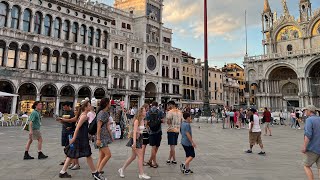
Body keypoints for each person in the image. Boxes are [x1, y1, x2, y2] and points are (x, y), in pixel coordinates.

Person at [59, 100, 104, 179]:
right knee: (87, 154)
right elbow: (77, 128)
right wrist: (74, 138)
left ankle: (62, 172)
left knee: (72, 154)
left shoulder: (83, 114)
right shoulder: (84, 116)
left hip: (81, 138)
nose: (91, 106)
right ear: (86, 107)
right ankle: (94, 172)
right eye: (89, 105)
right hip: (80, 138)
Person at [118, 107, 151, 179]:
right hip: (135, 139)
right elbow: (134, 132)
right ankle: (141, 173)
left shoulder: (143, 120)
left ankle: (122, 169)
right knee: (140, 156)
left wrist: (140, 132)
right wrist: (134, 143)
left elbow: (140, 131)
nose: (146, 112)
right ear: (141, 112)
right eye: (145, 111)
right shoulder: (137, 121)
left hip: (140, 139)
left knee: (133, 157)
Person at [95, 98, 113, 177]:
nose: (110, 104)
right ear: (106, 104)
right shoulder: (102, 113)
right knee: (108, 155)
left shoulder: (105, 113)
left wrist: (110, 135)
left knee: (102, 156)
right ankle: (97, 173)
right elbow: (98, 127)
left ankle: (97, 171)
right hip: (101, 138)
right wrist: (98, 139)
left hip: (103, 137)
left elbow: (106, 126)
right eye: (109, 102)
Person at [302, 105, 320, 180]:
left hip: (312, 148)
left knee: (306, 166)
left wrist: (304, 146)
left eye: (306, 110)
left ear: (309, 111)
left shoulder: (309, 120)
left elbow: (308, 135)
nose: (305, 112)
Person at [146, 102, 165, 168]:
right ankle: (154, 163)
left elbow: (147, 123)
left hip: (151, 132)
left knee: (153, 147)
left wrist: (149, 129)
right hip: (158, 131)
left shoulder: (148, 112)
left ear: (152, 105)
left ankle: (150, 161)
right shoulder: (160, 111)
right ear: (157, 105)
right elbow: (163, 121)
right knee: (156, 147)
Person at [58, 102, 76, 167]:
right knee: (66, 146)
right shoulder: (64, 112)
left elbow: (74, 122)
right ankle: (66, 159)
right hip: (64, 130)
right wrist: (60, 120)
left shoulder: (72, 113)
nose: (63, 108)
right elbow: (63, 120)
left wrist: (71, 127)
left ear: (68, 106)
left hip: (70, 131)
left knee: (70, 146)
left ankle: (70, 161)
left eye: (64, 106)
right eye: (63, 107)